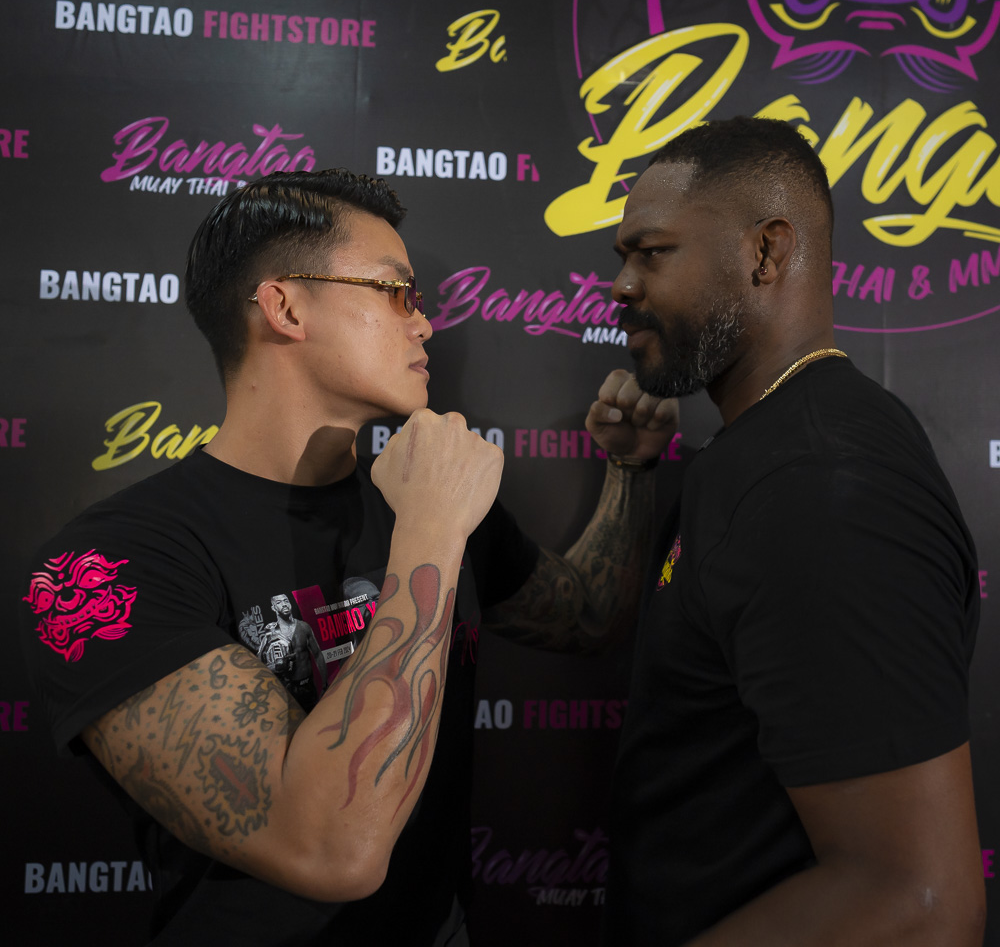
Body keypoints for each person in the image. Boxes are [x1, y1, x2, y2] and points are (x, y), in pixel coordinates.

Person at [18, 168, 676, 946]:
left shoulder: (427, 494)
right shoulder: (106, 564)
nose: (424, 323)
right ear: (286, 308)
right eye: (396, 292)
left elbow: (587, 618)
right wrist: (430, 531)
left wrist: (631, 468)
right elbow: (334, 849)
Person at [600, 116, 985, 946]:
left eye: (652, 252)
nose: (621, 285)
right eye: (623, 257)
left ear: (766, 253)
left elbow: (917, 904)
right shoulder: (766, 451)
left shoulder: (819, 483)